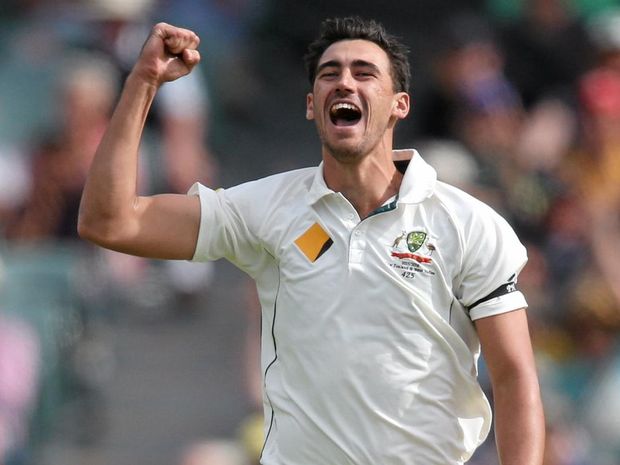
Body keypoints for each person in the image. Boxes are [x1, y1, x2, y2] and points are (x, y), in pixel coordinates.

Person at [78, 17, 545, 465]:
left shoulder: (468, 223)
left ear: (400, 104)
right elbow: (110, 222)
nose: (345, 83)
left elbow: (513, 375)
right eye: (329, 74)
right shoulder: (267, 208)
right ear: (309, 104)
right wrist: (143, 83)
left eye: (364, 73)